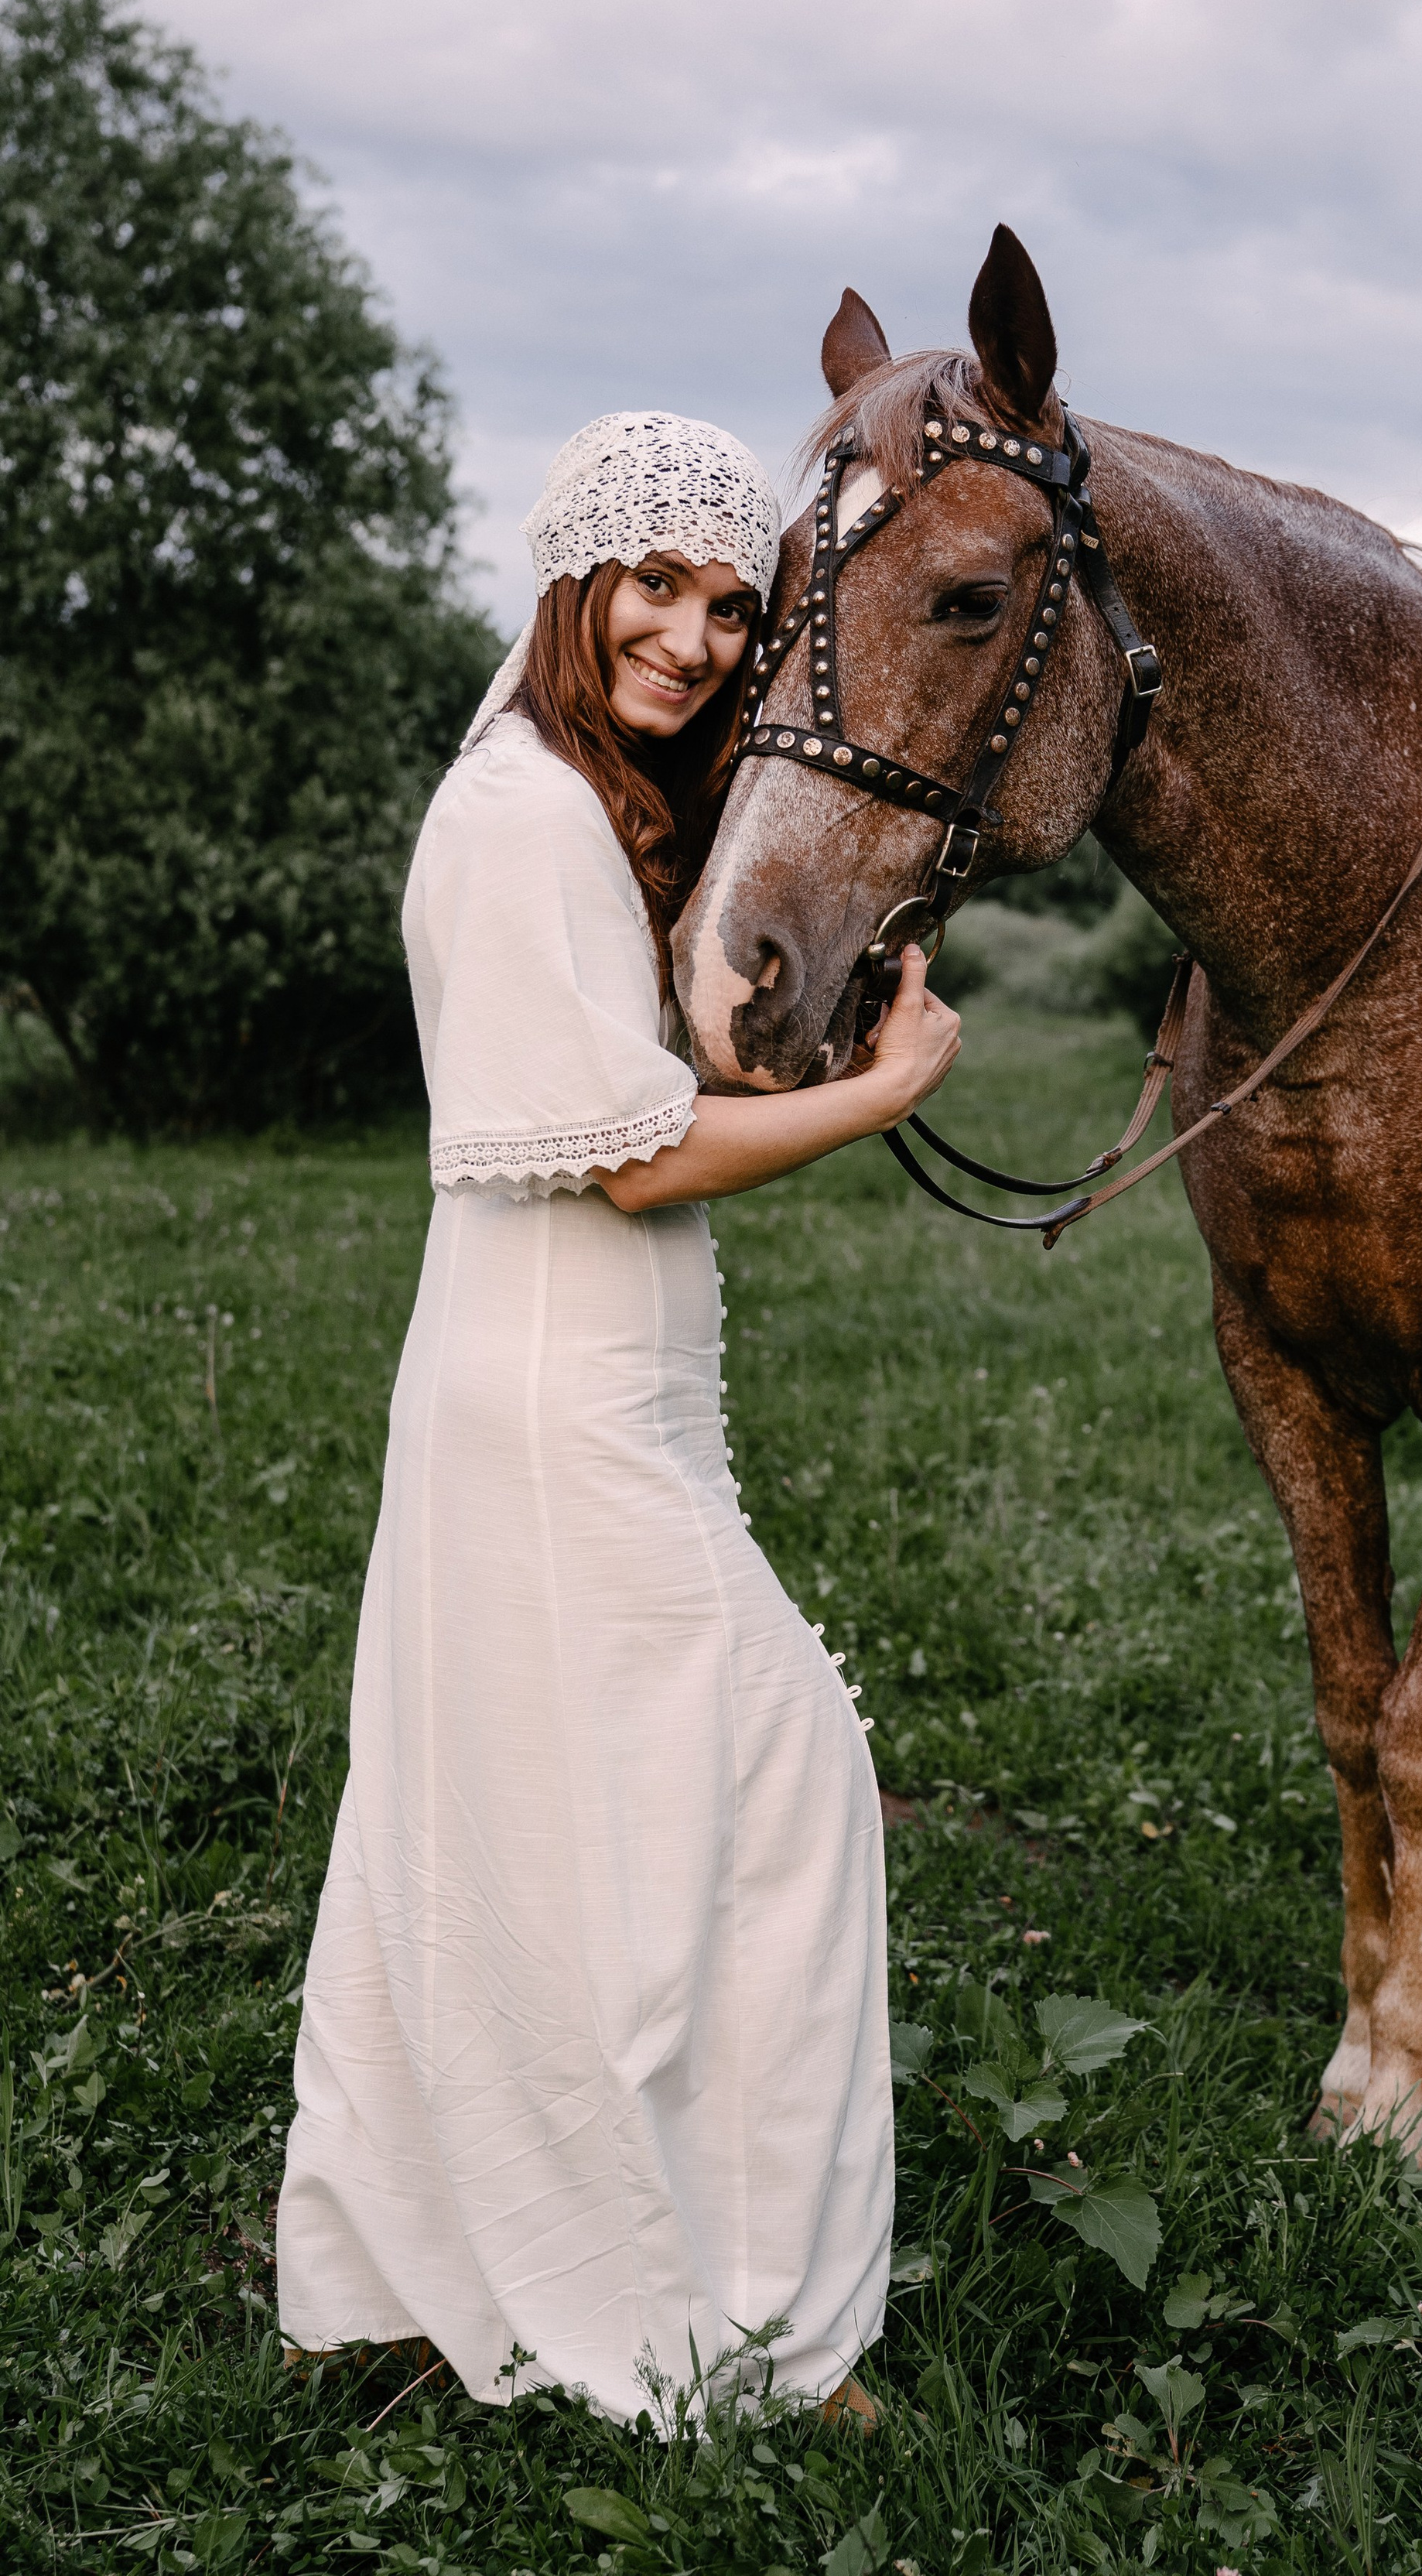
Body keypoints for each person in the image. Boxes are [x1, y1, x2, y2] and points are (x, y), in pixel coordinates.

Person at [275, 412, 959, 2427]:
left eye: (730, 605)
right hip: (554, 1407)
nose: (689, 633)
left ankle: (525, 2246)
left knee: (563, 1830)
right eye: (656, 584)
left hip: (589, 1394)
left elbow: (659, 1067)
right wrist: (888, 1092)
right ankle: (717, 2325)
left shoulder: (578, 807)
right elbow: (635, 1162)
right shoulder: (517, 817)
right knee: (772, 1793)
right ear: (579, 582)